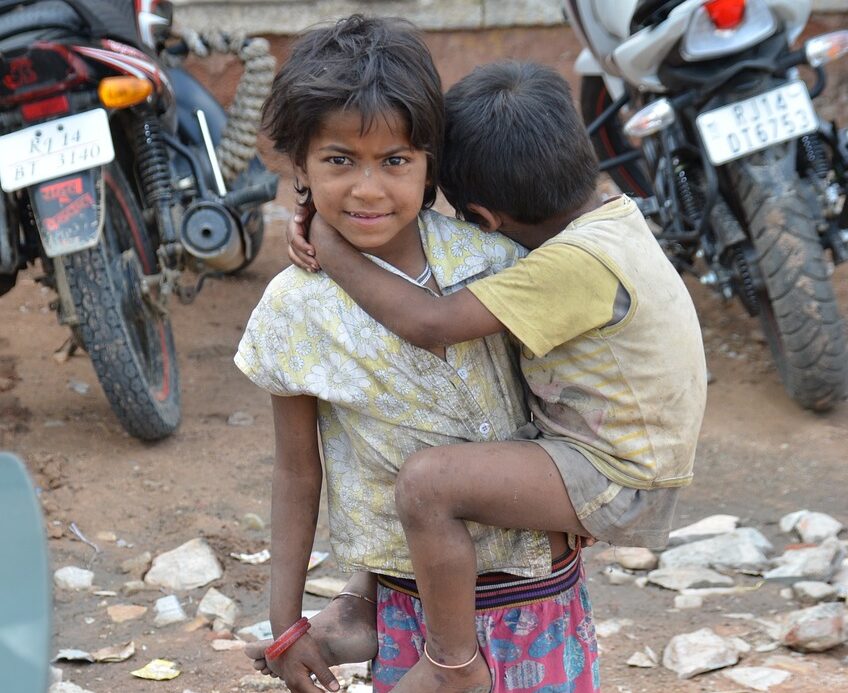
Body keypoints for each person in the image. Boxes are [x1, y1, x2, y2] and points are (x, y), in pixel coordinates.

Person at [288, 61, 707, 692]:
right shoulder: (612, 214)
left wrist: (329, 234)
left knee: (429, 484)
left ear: (483, 219)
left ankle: (452, 664)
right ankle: (365, 600)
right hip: (614, 453)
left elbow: (429, 323)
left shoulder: (572, 266)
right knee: (428, 438)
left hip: (616, 474)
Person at [237, 20, 599, 693]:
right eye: (340, 160)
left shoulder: (497, 263)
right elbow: (296, 471)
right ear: (300, 168)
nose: (369, 189)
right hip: (418, 612)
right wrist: (286, 622)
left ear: (430, 160)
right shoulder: (293, 312)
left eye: (395, 161)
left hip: (540, 587)